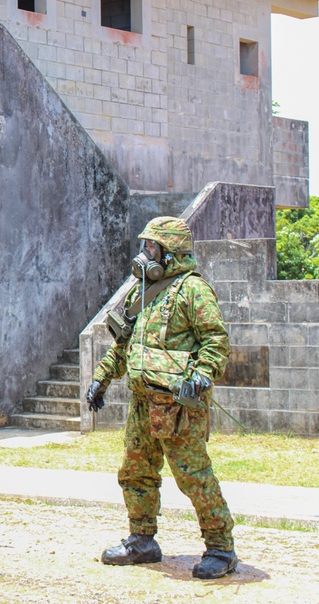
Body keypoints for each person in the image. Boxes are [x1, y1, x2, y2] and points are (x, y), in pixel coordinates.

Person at [87, 216, 237, 579]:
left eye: (151, 246)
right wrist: (101, 379)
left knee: (193, 475)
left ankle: (220, 547)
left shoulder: (193, 290)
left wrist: (202, 376)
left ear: (170, 251)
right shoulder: (142, 291)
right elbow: (125, 345)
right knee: (135, 472)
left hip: (178, 405)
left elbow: (215, 341)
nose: (144, 252)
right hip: (142, 403)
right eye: (145, 245)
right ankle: (142, 541)